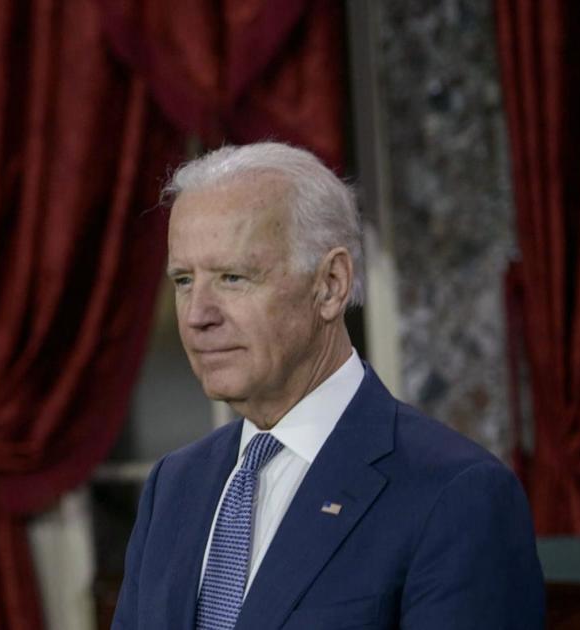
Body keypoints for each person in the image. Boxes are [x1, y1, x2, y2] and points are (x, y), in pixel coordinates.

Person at [111, 143, 544, 629]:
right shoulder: (174, 485)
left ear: (331, 285)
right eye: (184, 280)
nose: (197, 316)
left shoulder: (457, 495)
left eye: (233, 277)